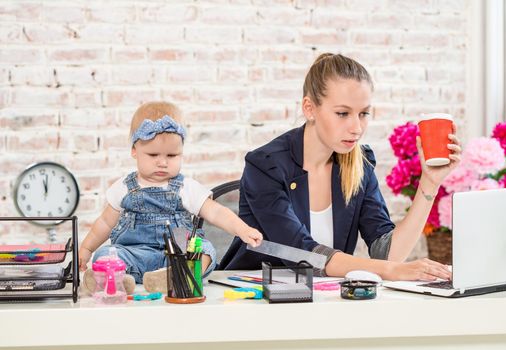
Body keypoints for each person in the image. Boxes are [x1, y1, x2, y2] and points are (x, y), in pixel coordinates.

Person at [219, 53, 461, 280]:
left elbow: (387, 253)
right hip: (255, 302)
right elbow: (306, 255)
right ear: (309, 108)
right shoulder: (265, 166)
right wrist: (391, 271)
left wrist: (429, 182)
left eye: (364, 114)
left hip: (326, 301)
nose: (356, 127)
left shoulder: (358, 164)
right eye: (343, 113)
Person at [80, 101, 263, 294]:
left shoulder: (185, 187)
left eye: (172, 155)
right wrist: (86, 249)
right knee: (104, 256)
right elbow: (104, 224)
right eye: (153, 154)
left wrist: (242, 229)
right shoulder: (124, 187)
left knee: (207, 251)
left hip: (177, 257)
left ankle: (170, 276)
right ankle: (120, 280)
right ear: (134, 150)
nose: (162, 162)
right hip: (135, 255)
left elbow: (216, 212)